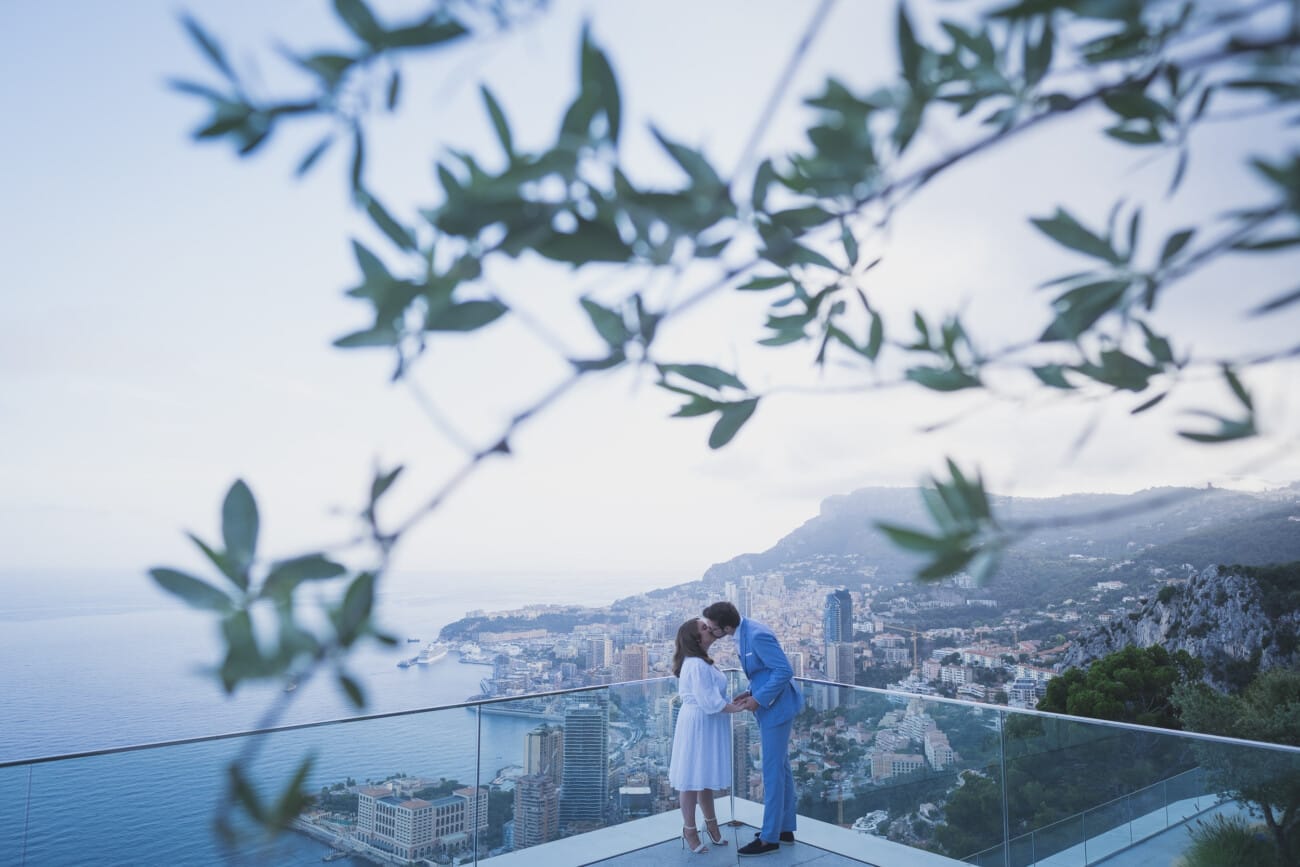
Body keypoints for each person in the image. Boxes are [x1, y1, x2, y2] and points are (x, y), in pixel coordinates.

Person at [702, 600, 804, 858]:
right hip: (767, 704)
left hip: (776, 708)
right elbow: (764, 672)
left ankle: (770, 838)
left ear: (725, 626)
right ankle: (785, 828)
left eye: (712, 627)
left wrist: (758, 699)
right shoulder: (743, 632)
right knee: (781, 768)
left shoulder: (757, 635)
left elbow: (783, 671)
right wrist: (750, 692)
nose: (710, 630)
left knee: (771, 773)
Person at [668, 617, 743, 854]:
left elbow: (711, 698)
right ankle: (689, 829)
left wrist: (730, 704)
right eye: (703, 627)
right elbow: (710, 701)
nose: (709, 628)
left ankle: (710, 824)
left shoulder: (701, 662)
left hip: (704, 721)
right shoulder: (697, 664)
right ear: (696, 638)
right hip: (699, 722)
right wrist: (737, 708)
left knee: (703, 775)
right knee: (691, 779)